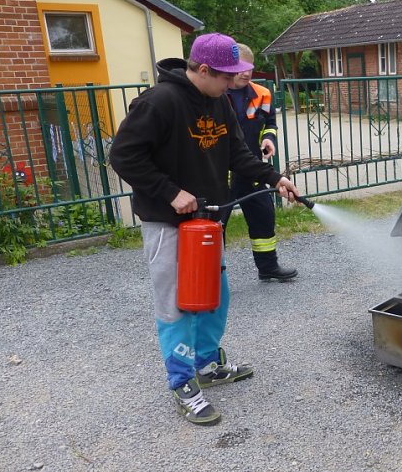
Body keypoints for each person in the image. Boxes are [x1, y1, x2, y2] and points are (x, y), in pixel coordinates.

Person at [109, 33, 301, 426]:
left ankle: (208, 365)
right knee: (177, 303)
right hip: (169, 222)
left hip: (209, 221)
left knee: (214, 296)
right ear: (203, 69)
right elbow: (123, 155)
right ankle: (182, 382)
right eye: (226, 76)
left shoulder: (219, 101)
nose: (233, 83)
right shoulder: (158, 103)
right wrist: (169, 191)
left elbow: (236, 153)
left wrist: (274, 177)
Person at [222, 43, 297, 281]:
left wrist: (268, 139)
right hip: (221, 171)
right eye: (240, 68)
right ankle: (213, 273)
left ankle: (268, 267)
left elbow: (270, 123)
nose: (245, 73)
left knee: (263, 215)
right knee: (215, 224)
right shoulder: (215, 94)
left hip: (251, 167)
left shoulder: (262, 93)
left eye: (249, 68)